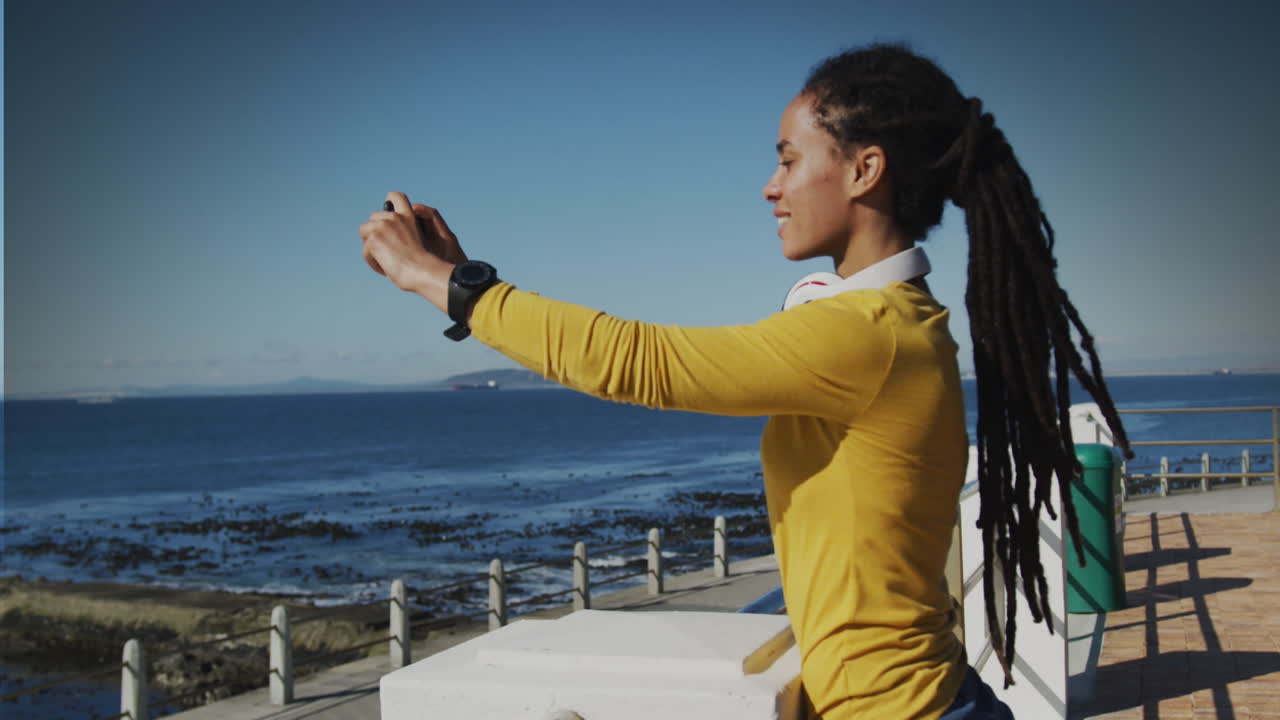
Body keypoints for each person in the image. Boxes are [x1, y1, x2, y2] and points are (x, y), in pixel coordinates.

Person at [359, 43, 1131, 719]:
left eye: (790, 159)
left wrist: (443, 282)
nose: (771, 185)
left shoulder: (867, 337)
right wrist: (458, 280)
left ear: (865, 170)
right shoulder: (886, 324)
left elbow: (636, 361)